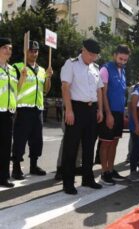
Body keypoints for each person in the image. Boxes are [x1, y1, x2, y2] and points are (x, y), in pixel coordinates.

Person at [60, 38, 103, 194]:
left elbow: (99, 90)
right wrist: (69, 110)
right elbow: (65, 88)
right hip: (76, 109)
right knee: (71, 147)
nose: (93, 58)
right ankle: (68, 182)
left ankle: (87, 178)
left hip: (92, 110)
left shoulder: (95, 68)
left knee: (89, 147)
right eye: (91, 54)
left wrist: (100, 110)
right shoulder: (71, 64)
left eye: (95, 56)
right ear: (83, 50)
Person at [11, 40, 53, 180]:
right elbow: (13, 89)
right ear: (25, 52)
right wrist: (21, 77)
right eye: (31, 51)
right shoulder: (17, 67)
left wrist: (48, 78)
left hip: (38, 109)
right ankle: (16, 168)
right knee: (20, 139)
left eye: (35, 51)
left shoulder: (42, 70)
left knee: (37, 140)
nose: (33, 53)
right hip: (23, 109)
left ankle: (34, 165)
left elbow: (46, 90)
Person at [98, 44, 131, 185]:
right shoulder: (105, 69)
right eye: (120, 58)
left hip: (118, 112)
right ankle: (104, 172)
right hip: (108, 112)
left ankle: (111, 170)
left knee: (115, 142)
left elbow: (121, 93)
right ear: (114, 55)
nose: (122, 62)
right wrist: (108, 114)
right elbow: (103, 93)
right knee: (106, 143)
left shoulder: (123, 71)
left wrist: (122, 113)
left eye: (125, 60)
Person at [0, 38, 17, 187]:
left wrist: (23, 77)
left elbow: (14, 90)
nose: (8, 50)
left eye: (10, 48)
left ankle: (4, 177)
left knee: (6, 147)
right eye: (5, 47)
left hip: (8, 113)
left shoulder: (12, 70)